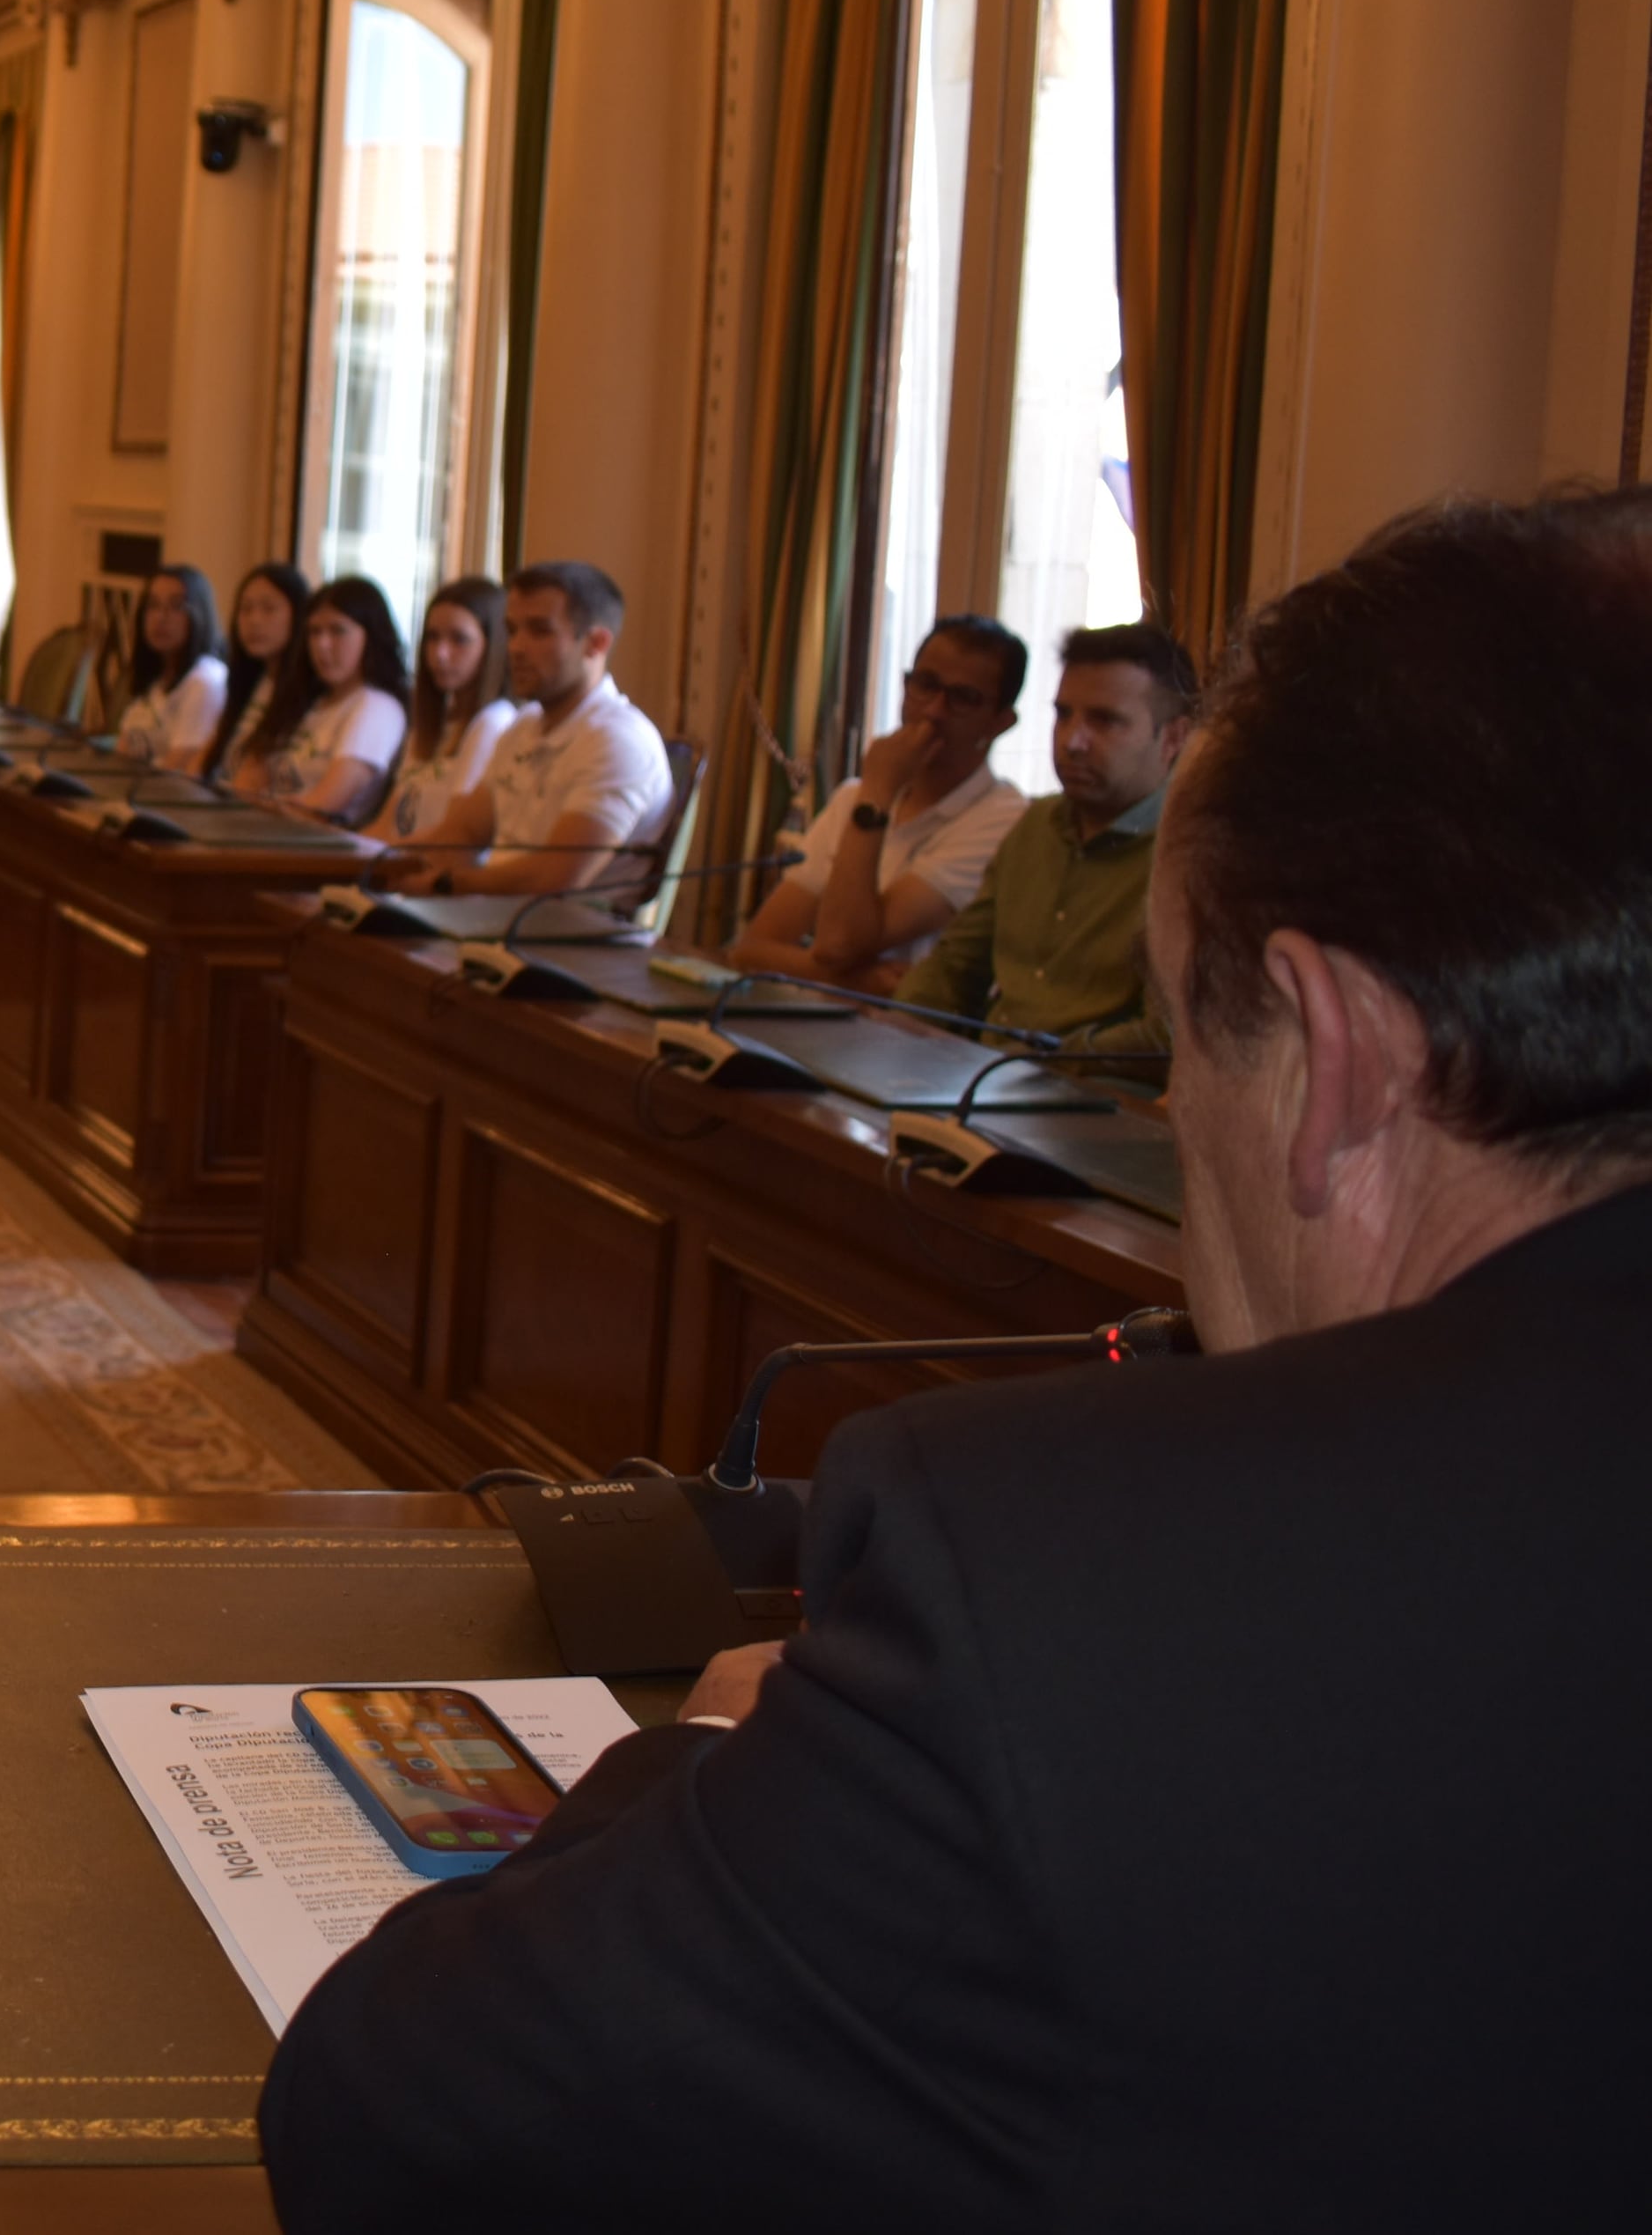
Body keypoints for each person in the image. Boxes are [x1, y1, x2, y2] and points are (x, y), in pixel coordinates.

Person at [261, 486, 1652, 2228]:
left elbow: (399, 2107)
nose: (1174, 1100)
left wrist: (699, 1745)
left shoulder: (1050, 1566)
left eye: (1183, 1031)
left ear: (1334, 1053)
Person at [894, 621, 1195, 1044]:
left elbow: (1164, 1036)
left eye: (1105, 721)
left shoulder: (1193, 854)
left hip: (1093, 1094)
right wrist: (892, 1036)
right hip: (989, 1080)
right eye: (1063, 714)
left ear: (1174, 738)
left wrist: (1038, 1065)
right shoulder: (1036, 824)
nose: (1072, 742)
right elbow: (953, 968)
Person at [725, 612, 1031, 989]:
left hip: (919, 1041)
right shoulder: (856, 797)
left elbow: (839, 944)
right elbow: (753, 949)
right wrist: (862, 982)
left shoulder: (1004, 818)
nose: (934, 711)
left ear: (1001, 722)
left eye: (963, 698)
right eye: (925, 685)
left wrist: (878, 793)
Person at [382, 562, 675, 898]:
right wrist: (376, 862)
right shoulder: (524, 726)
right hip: (492, 918)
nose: (516, 648)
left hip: (564, 940)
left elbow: (553, 880)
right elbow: (461, 834)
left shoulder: (618, 740)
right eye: (512, 630)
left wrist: (445, 885)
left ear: (596, 643)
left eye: (539, 631)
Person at [223, 578, 410, 823]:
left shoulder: (376, 706)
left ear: (371, 636)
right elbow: (246, 784)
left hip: (320, 849)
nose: (322, 645)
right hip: (266, 831)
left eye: (337, 631)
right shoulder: (305, 699)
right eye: (314, 632)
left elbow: (321, 807)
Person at [372, 576, 520, 845]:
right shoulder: (433, 723)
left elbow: (453, 835)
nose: (440, 653)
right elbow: (387, 824)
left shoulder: (494, 721)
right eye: (432, 637)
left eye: (459, 640)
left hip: (435, 876)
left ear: (493, 647)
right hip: (394, 870)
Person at [200, 561, 312, 779]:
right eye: (246, 609)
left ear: (299, 616)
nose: (254, 621)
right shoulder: (250, 681)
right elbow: (205, 761)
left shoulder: (304, 693)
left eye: (269, 609)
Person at [113, 566, 226, 767]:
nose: (161, 617)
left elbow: (178, 771)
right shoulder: (156, 675)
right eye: (153, 606)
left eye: (176, 606)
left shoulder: (204, 680)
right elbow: (122, 751)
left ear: (199, 614)